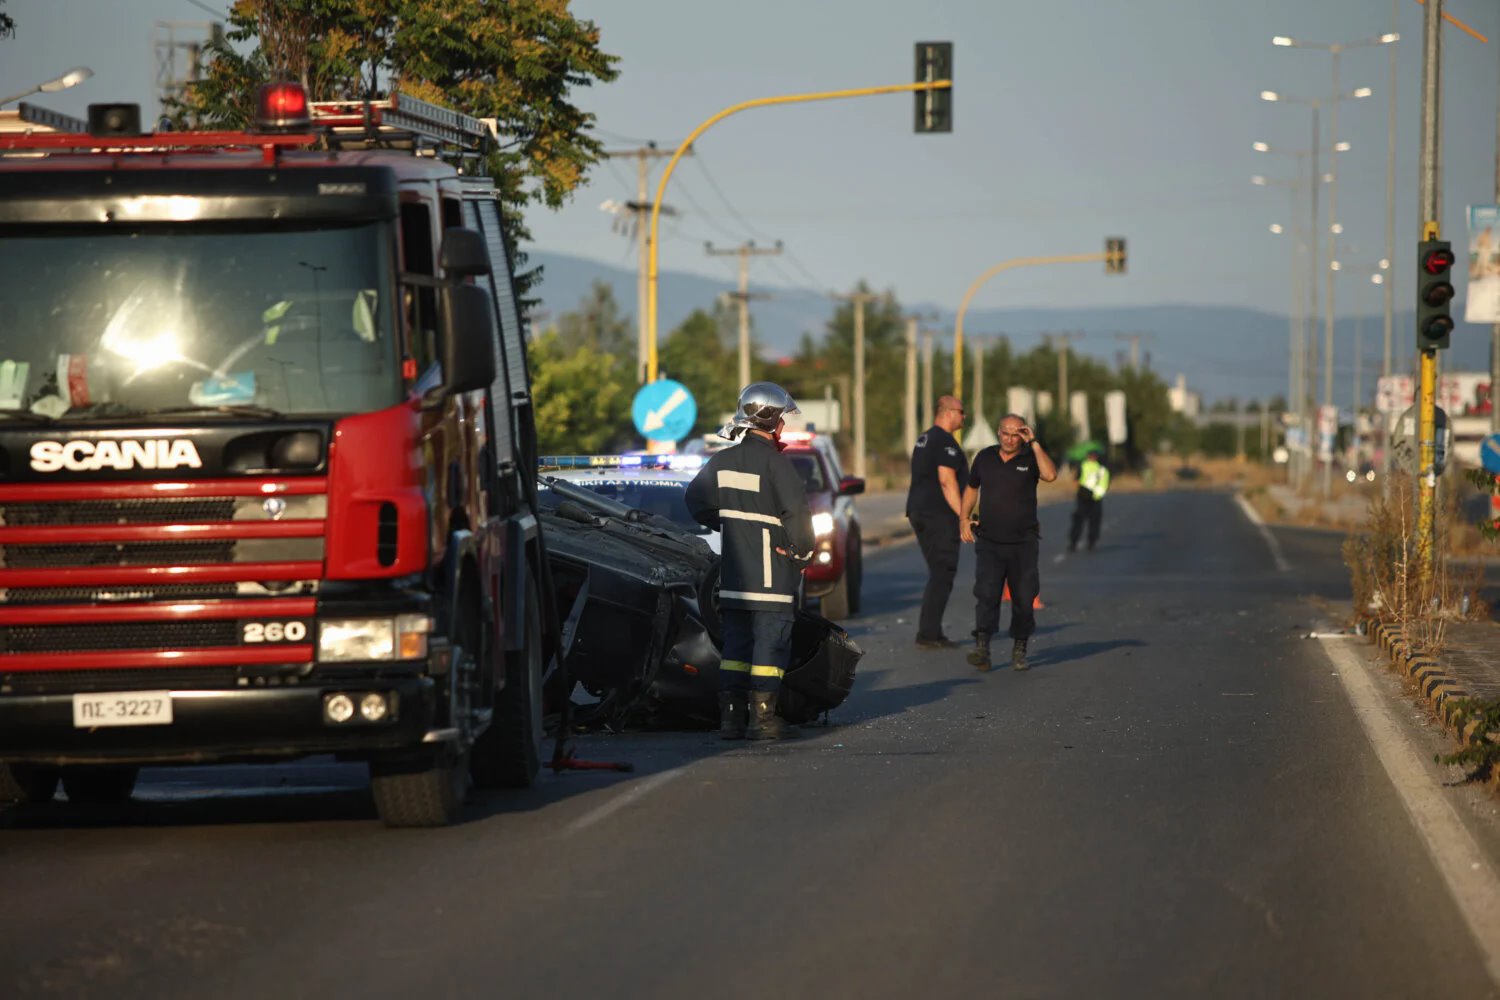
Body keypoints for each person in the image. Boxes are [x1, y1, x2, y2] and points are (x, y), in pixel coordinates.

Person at [686, 382, 816, 740]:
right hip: (772, 580)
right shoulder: (777, 465)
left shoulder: (722, 460)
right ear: (771, 419)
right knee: (769, 648)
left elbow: (695, 501)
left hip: (733, 580)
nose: (784, 427)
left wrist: (727, 523)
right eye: (782, 420)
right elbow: (799, 521)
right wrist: (799, 556)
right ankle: (764, 720)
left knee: (736, 650)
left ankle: (730, 721)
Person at [960, 413, 1057, 672]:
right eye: (1005, 433)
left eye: (1016, 434)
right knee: (986, 594)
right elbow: (971, 488)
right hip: (990, 541)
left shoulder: (1030, 457)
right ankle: (982, 647)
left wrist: (1034, 442)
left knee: (1024, 598)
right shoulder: (984, 458)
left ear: (1023, 434)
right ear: (998, 431)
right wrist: (964, 519)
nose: (1010, 439)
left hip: (1023, 543)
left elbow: (1050, 475)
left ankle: (1020, 647)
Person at [905, 395, 969, 649]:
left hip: (919, 511)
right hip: (938, 515)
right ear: (950, 412)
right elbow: (946, 480)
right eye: (962, 412)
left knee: (938, 572)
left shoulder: (925, 438)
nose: (964, 417)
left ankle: (930, 630)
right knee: (943, 571)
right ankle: (929, 633)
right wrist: (963, 515)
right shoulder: (945, 442)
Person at [1068, 448, 1110, 553]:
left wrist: (1081, 488)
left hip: (1084, 496)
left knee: (1080, 520)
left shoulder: (1083, 466)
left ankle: (1075, 542)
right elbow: (1105, 483)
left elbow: (1076, 481)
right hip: (1096, 497)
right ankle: (1091, 541)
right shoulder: (1102, 468)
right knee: (1093, 521)